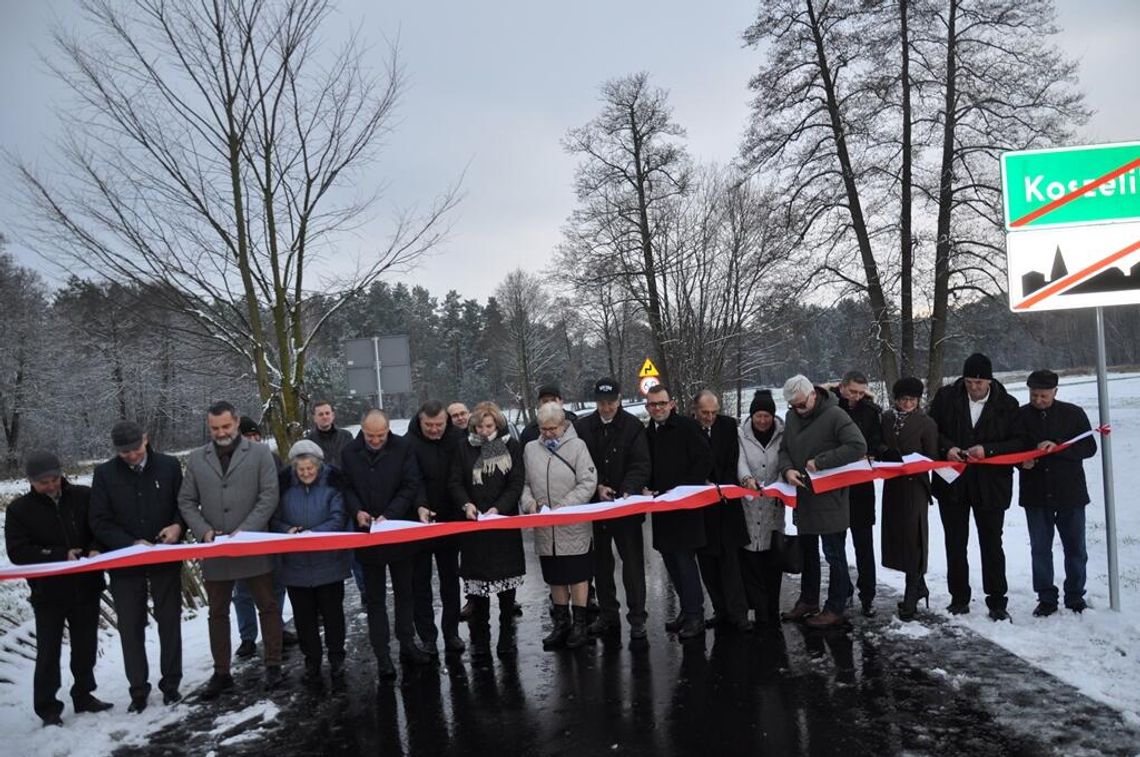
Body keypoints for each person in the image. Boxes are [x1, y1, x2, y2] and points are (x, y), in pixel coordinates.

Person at [178, 401, 283, 696]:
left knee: (267, 605)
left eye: (226, 426)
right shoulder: (197, 459)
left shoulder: (260, 453)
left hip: (252, 543)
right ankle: (221, 672)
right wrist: (204, 531)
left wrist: (247, 530)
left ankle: (273, 664)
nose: (221, 432)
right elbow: (186, 500)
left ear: (236, 422)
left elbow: (269, 495)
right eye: (215, 428)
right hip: (216, 547)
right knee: (217, 612)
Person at [5, 451, 113, 727]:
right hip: (48, 593)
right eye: (44, 482)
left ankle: (84, 694)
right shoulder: (19, 510)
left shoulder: (83, 496)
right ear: (31, 481)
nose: (51, 485)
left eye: (54, 479)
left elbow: (99, 528)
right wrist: (59, 554)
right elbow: (18, 552)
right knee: (48, 652)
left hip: (86, 586)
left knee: (86, 646)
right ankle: (48, 707)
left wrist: (95, 549)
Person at [88, 421, 185, 712]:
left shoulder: (169, 466)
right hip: (125, 562)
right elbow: (99, 520)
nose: (131, 456)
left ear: (146, 439)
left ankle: (171, 684)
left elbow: (184, 505)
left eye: (135, 449)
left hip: (165, 557)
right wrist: (129, 543)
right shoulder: (104, 474)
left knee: (170, 621)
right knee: (130, 627)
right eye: (124, 452)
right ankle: (138, 690)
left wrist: (177, 527)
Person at [927, 353, 1022, 621]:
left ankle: (997, 601)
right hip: (952, 483)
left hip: (991, 486)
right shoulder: (946, 398)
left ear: (989, 381)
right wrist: (947, 448)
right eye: (969, 382)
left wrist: (988, 450)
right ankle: (959, 598)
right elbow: (932, 431)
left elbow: (1019, 442)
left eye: (979, 383)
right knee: (955, 542)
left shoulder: (1007, 405)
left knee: (992, 543)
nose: (973, 387)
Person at [340, 408, 432, 679]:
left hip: (397, 530)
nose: (376, 440)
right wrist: (357, 511)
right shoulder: (349, 452)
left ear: (388, 429)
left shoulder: (403, 447)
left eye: (381, 435)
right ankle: (382, 654)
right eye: (371, 436)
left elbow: (410, 484)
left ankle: (407, 643)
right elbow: (346, 487)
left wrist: (390, 515)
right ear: (362, 430)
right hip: (367, 534)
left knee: (405, 592)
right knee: (375, 599)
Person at [778, 375, 867, 628]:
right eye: (793, 405)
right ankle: (808, 600)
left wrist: (822, 462)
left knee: (833, 554)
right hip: (804, 498)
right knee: (808, 552)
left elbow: (857, 445)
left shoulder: (835, 415)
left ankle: (835, 606)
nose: (798, 409)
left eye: (801, 403)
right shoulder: (792, 417)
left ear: (813, 394)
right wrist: (787, 470)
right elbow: (784, 450)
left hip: (830, 498)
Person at [574, 378, 651, 641]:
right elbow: (579, 465)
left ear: (619, 400)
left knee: (632, 565)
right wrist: (597, 486)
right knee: (601, 565)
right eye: (602, 403)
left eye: (611, 402)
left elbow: (640, 463)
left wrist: (627, 490)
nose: (606, 408)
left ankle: (637, 617)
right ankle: (608, 614)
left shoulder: (633, 426)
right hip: (596, 506)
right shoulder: (583, 427)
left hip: (626, 507)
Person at [448, 401, 527, 658]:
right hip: (474, 526)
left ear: (497, 425)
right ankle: (480, 640)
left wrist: (499, 508)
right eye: (479, 427)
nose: (483, 432)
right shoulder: (463, 447)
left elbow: (516, 482)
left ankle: (506, 636)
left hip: (502, 523)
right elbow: (455, 482)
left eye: (489, 426)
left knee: (506, 587)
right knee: (477, 587)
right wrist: (466, 504)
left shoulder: (510, 446)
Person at [1016, 369, 1097, 617]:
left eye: (1043, 395)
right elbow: (1012, 447)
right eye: (1034, 395)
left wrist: (1059, 449)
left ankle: (1075, 595)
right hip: (1036, 493)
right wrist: (1021, 461)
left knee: (1075, 548)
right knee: (1040, 548)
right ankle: (1046, 597)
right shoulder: (1020, 416)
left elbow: (1089, 447)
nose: (1038, 400)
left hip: (1070, 492)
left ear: (1055, 392)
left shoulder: (1073, 414)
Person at [271, 440, 350, 688]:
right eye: (301, 469)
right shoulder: (283, 489)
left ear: (319, 466)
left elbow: (338, 518)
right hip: (295, 566)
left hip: (329, 563)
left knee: (333, 616)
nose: (306, 473)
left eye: (310, 468)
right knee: (304, 620)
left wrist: (313, 534)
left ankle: (337, 658)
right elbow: (274, 520)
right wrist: (288, 530)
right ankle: (312, 661)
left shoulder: (333, 487)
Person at [521, 402, 598, 649]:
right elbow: (524, 484)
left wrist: (565, 506)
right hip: (545, 526)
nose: (547, 433)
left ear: (563, 425)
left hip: (572, 523)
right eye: (543, 429)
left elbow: (588, 482)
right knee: (554, 576)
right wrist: (529, 503)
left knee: (577, 575)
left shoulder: (578, 446)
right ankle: (562, 623)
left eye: (552, 428)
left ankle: (580, 625)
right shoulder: (530, 449)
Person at [644, 383, 713, 640]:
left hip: (685, 507)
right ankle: (686, 609)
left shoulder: (687, 426)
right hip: (662, 508)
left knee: (685, 562)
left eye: (662, 403)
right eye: (653, 404)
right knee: (670, 561)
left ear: (671, 404)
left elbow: (705, 459)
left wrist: (685, 489)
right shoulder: (648, 432)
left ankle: (696, 615)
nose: (658, 408)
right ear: (647, 407)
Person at [407, 400, 466, 655]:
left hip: (450, 518)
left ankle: (451, 632)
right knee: (419, 583)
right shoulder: (409, 443)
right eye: (429, 425)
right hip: (419, 521)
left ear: (447, 421)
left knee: (450, 579)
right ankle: (427, 636)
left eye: (439, 424)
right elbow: (412, 480)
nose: (434, 430)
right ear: (420, 421)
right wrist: (420, 505)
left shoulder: (457, 439)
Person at [878, 378, 939, 621]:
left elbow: (932, 455)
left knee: (914, 538)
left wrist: (914, 461)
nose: (907, 404)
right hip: (893, 484)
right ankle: (920, 586)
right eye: (903, 399)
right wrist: (885, 452)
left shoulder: (926, 423)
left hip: (916, 486)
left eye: (912, 400)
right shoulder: (886, 418)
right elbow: (878, 443)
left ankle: (912, 592)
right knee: (898, 537)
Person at [692, 390, 752, 632]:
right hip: (701, 506)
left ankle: (739, 613)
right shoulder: (689, 429)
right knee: (707, 564)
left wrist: (721, 487)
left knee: (731, 564)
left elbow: (734, 459)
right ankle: (720, 610)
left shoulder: (727, 426)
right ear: (695, 410)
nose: (709, 417)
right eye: (705, 413)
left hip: (727, 504)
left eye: (714, 412)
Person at [231, 416, 291, 659]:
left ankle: (276, 629)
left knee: (277, 584)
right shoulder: (230, 463)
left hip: (273, 529)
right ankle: (248, 637)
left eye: (256, 435)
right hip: (242, 533)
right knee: (243, 589)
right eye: (248, 436)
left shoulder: (272, 458)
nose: (254, 439)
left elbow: (283, 490)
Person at [832, 371, 883, 616]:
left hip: (862, 486)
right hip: (835, 486)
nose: (857, 397)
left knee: (864, 544)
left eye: (861, 393)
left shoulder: (870, 412)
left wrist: (872, 452)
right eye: (853, 391)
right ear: (842, 387)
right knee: (836, 545)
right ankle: (843, 591)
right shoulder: (830, 408)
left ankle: (868, 594)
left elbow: (877, 441)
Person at [736, 390, 786, 629]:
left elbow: (786, 460)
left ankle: (772, 607)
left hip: (774, 507)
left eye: (767, 416)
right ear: (752, 415)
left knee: (773, 561)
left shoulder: (783, 434)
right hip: (749, 505)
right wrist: (746, 478)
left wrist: (781, 481)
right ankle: (760, 610)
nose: (763, 420)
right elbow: (739, 460)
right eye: (759, 416)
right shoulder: (741, 435)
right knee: (751, 560)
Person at [519, 384, 579, 448]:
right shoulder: (530, 432)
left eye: (553, 400)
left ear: (561, 402)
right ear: (539, 404)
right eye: (545, 401)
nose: (550, 403)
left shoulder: (575, 424)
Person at [304, 401, 354, 469]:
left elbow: (354, 460)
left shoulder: (346, 436)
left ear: (333, 416)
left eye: (327, 413)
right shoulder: (308, 442)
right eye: (321, 414)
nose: (325, 417)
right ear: (314, 418)